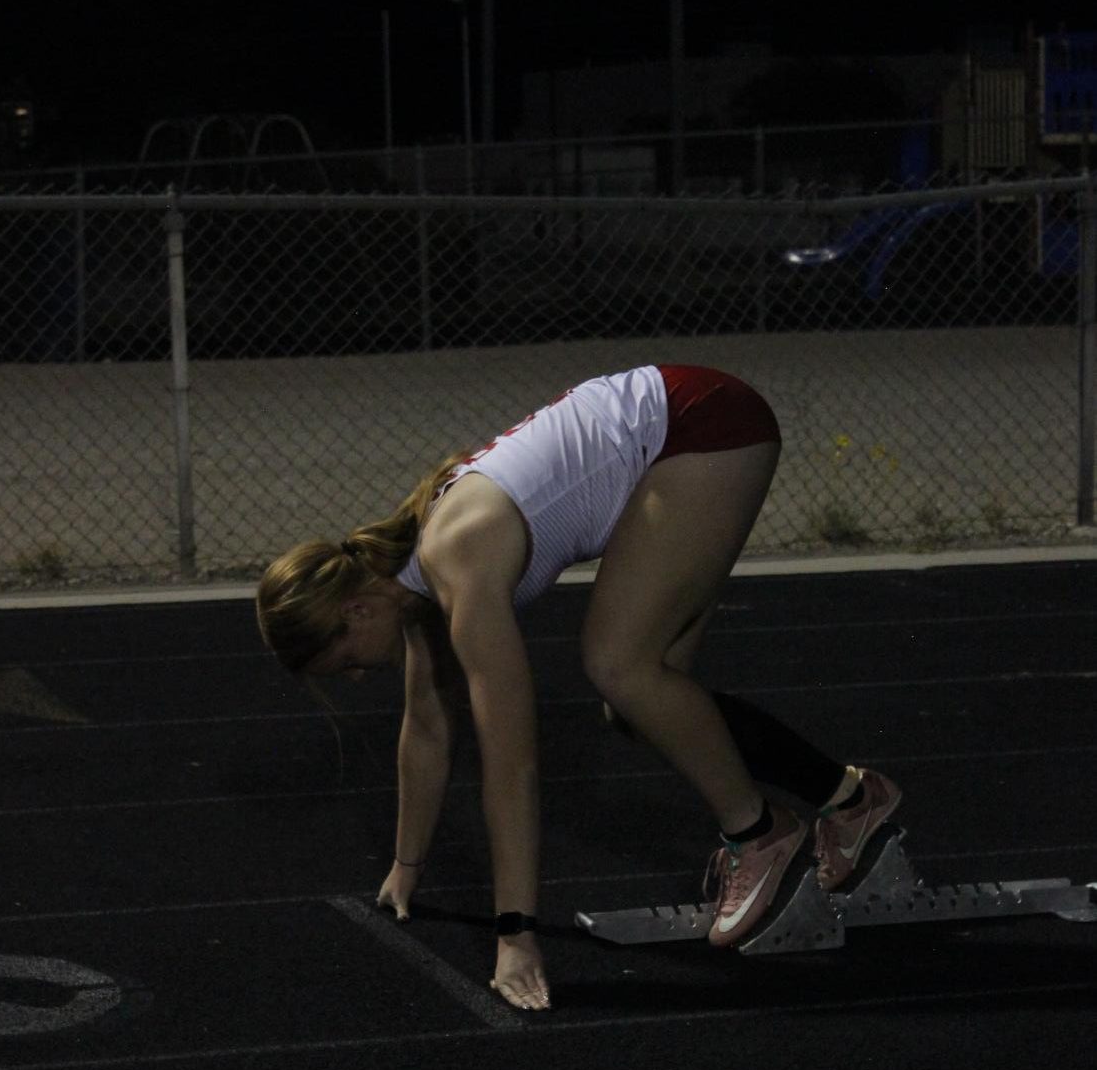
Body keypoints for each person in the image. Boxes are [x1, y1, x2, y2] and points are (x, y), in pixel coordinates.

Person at [255, 365, 902, 1012]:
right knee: (645, 700)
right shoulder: (412, 581)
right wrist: (407, 866)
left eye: (346, 664)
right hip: (690, 427)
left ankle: (761, 836)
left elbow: (513, 764)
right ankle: (850, 799)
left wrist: (516, 934)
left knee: (618, 663)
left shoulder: (455, 559)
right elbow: (424, 728)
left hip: (704, 427)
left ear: (357, 611)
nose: (362, 675)